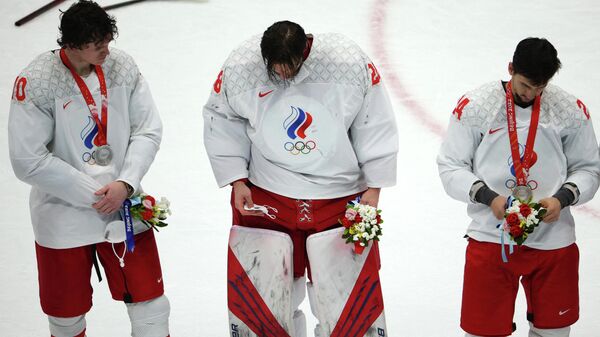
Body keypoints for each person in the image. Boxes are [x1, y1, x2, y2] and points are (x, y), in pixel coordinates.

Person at [203, 21, 398, 337]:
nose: (282, 75)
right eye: (275, 69)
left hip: (339, 195)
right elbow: (221, 119)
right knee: (268, 304)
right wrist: (236, 178)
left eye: (290, 67)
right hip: (267, 195)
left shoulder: (348, 62)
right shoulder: (240, 67)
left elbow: (375, 122)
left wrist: (375, 186)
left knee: (343, 304)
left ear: (305, 52)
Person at [8, 1, 170, 336]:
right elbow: (28, 160)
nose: (106, 50)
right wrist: (95, 196)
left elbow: (148, 128)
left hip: (125, 206)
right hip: (63, 214)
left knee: (152, 306)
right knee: (65, 316)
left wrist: (125, 183)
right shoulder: (36, 80)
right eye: (98, 45)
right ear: (71, 44)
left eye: (108, 41)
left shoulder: (121, 66)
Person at [437, 37, 600, 337]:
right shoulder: (475, 106)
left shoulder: (569, 110)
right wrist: (489, 198)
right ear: (510, 68)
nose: (531, 93)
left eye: (540, 87)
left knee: (553, 332)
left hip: (554, 241)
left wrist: (562, 199)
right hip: (491, 237)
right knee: (482, 332)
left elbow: (589, 168)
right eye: (525, 84)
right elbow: (450, 165)